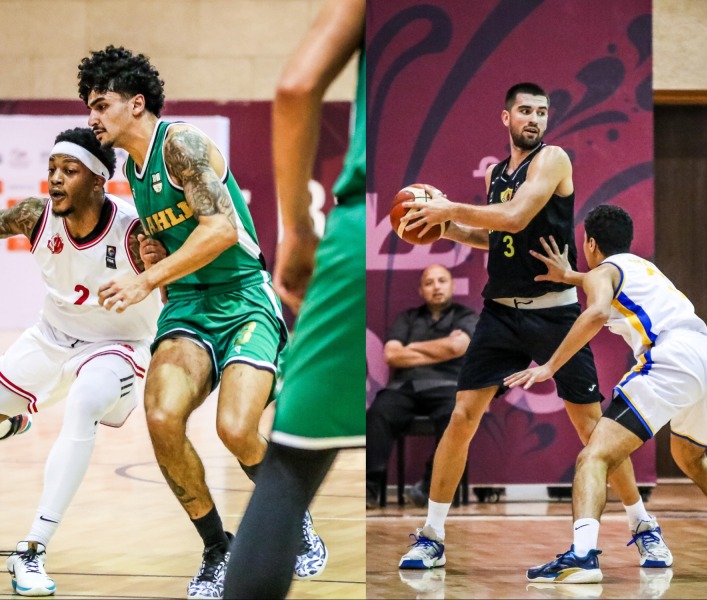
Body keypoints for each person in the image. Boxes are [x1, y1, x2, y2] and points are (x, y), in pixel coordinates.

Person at [76, 46, 324, 599]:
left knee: (235, 428)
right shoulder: (134, 172)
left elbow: (220, 231)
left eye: (101, 104)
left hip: (242, 297)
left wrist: (144, 278)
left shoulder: (181, 144)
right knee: (162, 417)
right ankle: (217, 549)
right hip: (188, 305)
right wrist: (149, 254)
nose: (92, 116)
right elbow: (174, 238)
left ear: (136, 104)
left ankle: (293, 518)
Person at [398, 82, 672, 570]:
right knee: (462, 416)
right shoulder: (498, 173)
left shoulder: (554, 160)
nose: (534, 119)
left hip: (553, 310)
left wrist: (448, 209)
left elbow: (517, 214)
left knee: (593, 428)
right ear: (505, 118)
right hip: (501, 311)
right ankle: (432, 536)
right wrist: (449, 229)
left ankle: (642, 525)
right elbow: (500, 234)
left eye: (541, 112)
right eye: (525, 111)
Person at [505, 205, 707, 583]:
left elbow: (594, 313)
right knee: (693, 460)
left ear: (590, 243)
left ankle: (582, 556)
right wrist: (572, 275)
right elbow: (602, 284)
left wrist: (549, 366)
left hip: (670, 358)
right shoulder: (644, 268)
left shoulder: (604, 272)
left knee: (593, 457)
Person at [222, 0, 368, 596]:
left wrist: (299, 232)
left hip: (384, 222)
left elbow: (295, 85)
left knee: (291, 467)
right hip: (489, 231)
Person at [0, 129, 159, 597]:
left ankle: (32, 548)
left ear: (98, 181)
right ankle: (13, 421)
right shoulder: (35, 216)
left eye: (68, 172)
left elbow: (173, 286)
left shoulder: (134, 233)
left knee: (85, 400)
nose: (55, 180)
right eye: (52, 169)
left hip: (117, 345)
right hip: (49, 339)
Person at [367, 264, 478, 507]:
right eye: (429, 282)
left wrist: (412, 347)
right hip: (405, 387)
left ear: (452, 285)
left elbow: (457, 347)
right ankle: (370, 488)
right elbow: (392, 355)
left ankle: (430, 487)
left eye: (441, 281)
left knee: (456, 417)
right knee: (379, 412)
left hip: (447, 386)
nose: (436, 287)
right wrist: (443, 347)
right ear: (421, 290)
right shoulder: (407, 318)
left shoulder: (466, 316)